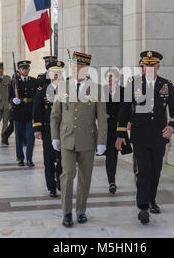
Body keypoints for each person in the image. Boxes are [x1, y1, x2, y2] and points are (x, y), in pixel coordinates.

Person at [115, 51, 174, 225]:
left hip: (159, 137)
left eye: (153, 65)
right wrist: (121, 133)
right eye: (147, 65)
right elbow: (124, 109)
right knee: (143, 171)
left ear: (158, 67)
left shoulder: (166, 85)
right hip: (140, 136)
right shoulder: (133, 84)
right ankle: (143, 205)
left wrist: (172, 125)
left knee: (155, 171)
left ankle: (152, 199)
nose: (150, 68)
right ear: (142, 66)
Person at [50, 51, 107, 228]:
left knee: (85, 177)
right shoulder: (63, 87)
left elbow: (102, 118)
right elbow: (55, 115)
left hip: (88, 140)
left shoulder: (96, 88)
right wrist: (54, 137)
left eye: (79, 66)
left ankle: (81, 210)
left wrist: (102, 141)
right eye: (73, 66)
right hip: (67, 138)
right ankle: (66, 212)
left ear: (86, 68)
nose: (75, 69)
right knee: (67, 176)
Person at [97, 68, 132, 195]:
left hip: (119, 128)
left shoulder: (124, 91)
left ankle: (114, 180)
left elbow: (129, 108)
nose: (109, 79)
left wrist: (129, 121)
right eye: (108, 76)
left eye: (112, 76)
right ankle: (111, 182)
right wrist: (101, 115)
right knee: (110, 155)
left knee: (115, 154)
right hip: (106, 128)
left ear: (117, 78)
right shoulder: (102, 91)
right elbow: (95, 108)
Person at [33, 60, 65, 198]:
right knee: (49, 159)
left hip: (64, 130)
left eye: (59, 73)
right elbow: (37, 110)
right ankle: (51, 186)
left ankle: (60, 180)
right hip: (47, 130)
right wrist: (37, 128)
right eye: (54, 73)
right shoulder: (43, 90)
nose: (57, 76)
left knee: (63, 159)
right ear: (50, 75)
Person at [10, 60, 38, 167]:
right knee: (19, 138)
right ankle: (20, 158)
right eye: (22, 68)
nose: (25, 70)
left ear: (29, 69)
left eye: (26, 68)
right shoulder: (14, 82)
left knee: (31, 137)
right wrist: (13, 100)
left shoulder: (34, 81)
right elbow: (10, 96)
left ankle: (29, 159)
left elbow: (37, 97)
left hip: (30, 113)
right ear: (19, 70)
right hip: (18, 113)